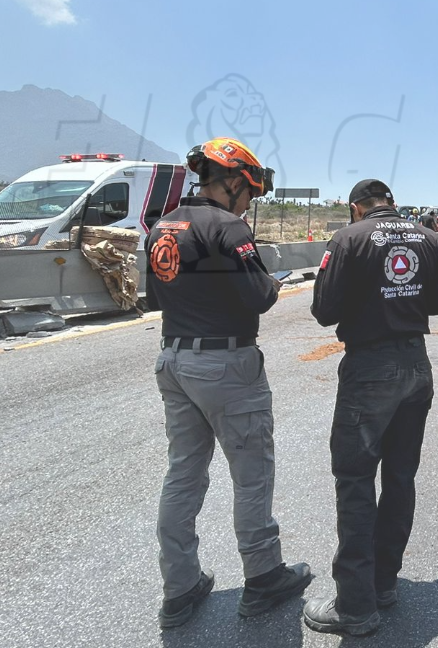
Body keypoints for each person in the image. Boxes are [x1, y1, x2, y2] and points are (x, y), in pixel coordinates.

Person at [146, 137, 312, 629]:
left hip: (173, 360)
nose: (250, 203)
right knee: (252, 472)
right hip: (225, 364)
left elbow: (156, 295)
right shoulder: (228, 227)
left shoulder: (163, 226)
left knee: (183, 475)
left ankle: (178, 589)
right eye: (250, 193)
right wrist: (271, 284)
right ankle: (263, 578)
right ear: (234, 181)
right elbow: (259, 296)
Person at [305, 179, 438, 636]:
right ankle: (383, 584)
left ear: (357, 208)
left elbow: (323, 310)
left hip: (370, 368)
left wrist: (366, 296)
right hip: (416, 364)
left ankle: (355, 607)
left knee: (354, 481)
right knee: (399, 477)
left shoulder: (349, 238)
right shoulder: (428, 238)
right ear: (391, 203)